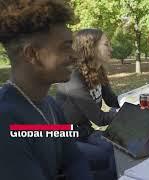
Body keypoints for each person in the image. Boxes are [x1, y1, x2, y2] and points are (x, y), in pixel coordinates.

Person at [0, 0, 92, 180]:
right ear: (32, 54)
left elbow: (74, 159)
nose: (75, 56)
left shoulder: (50, 105)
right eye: (66, 47)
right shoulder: (5, 119)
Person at [56, 28, 118, 180]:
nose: (111, 48)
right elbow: (100, 119)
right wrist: (125, 114)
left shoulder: (98, 70)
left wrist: (136, 105)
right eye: (106, 44)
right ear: (91, 48)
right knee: (105, 156)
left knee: (117, 148)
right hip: (64, 138)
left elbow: (112, 101)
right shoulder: (73, 77)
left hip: (85, 131)